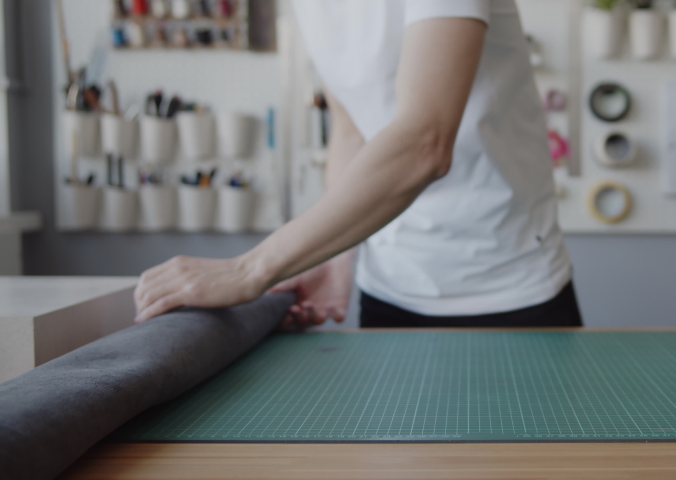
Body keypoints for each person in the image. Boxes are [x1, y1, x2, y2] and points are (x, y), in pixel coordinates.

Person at [133, 0, 582, 328]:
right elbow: (351, 131)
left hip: (508, 290)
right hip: (390, 286)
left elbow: (426, 141)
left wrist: (251, 269)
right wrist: (338, 257)